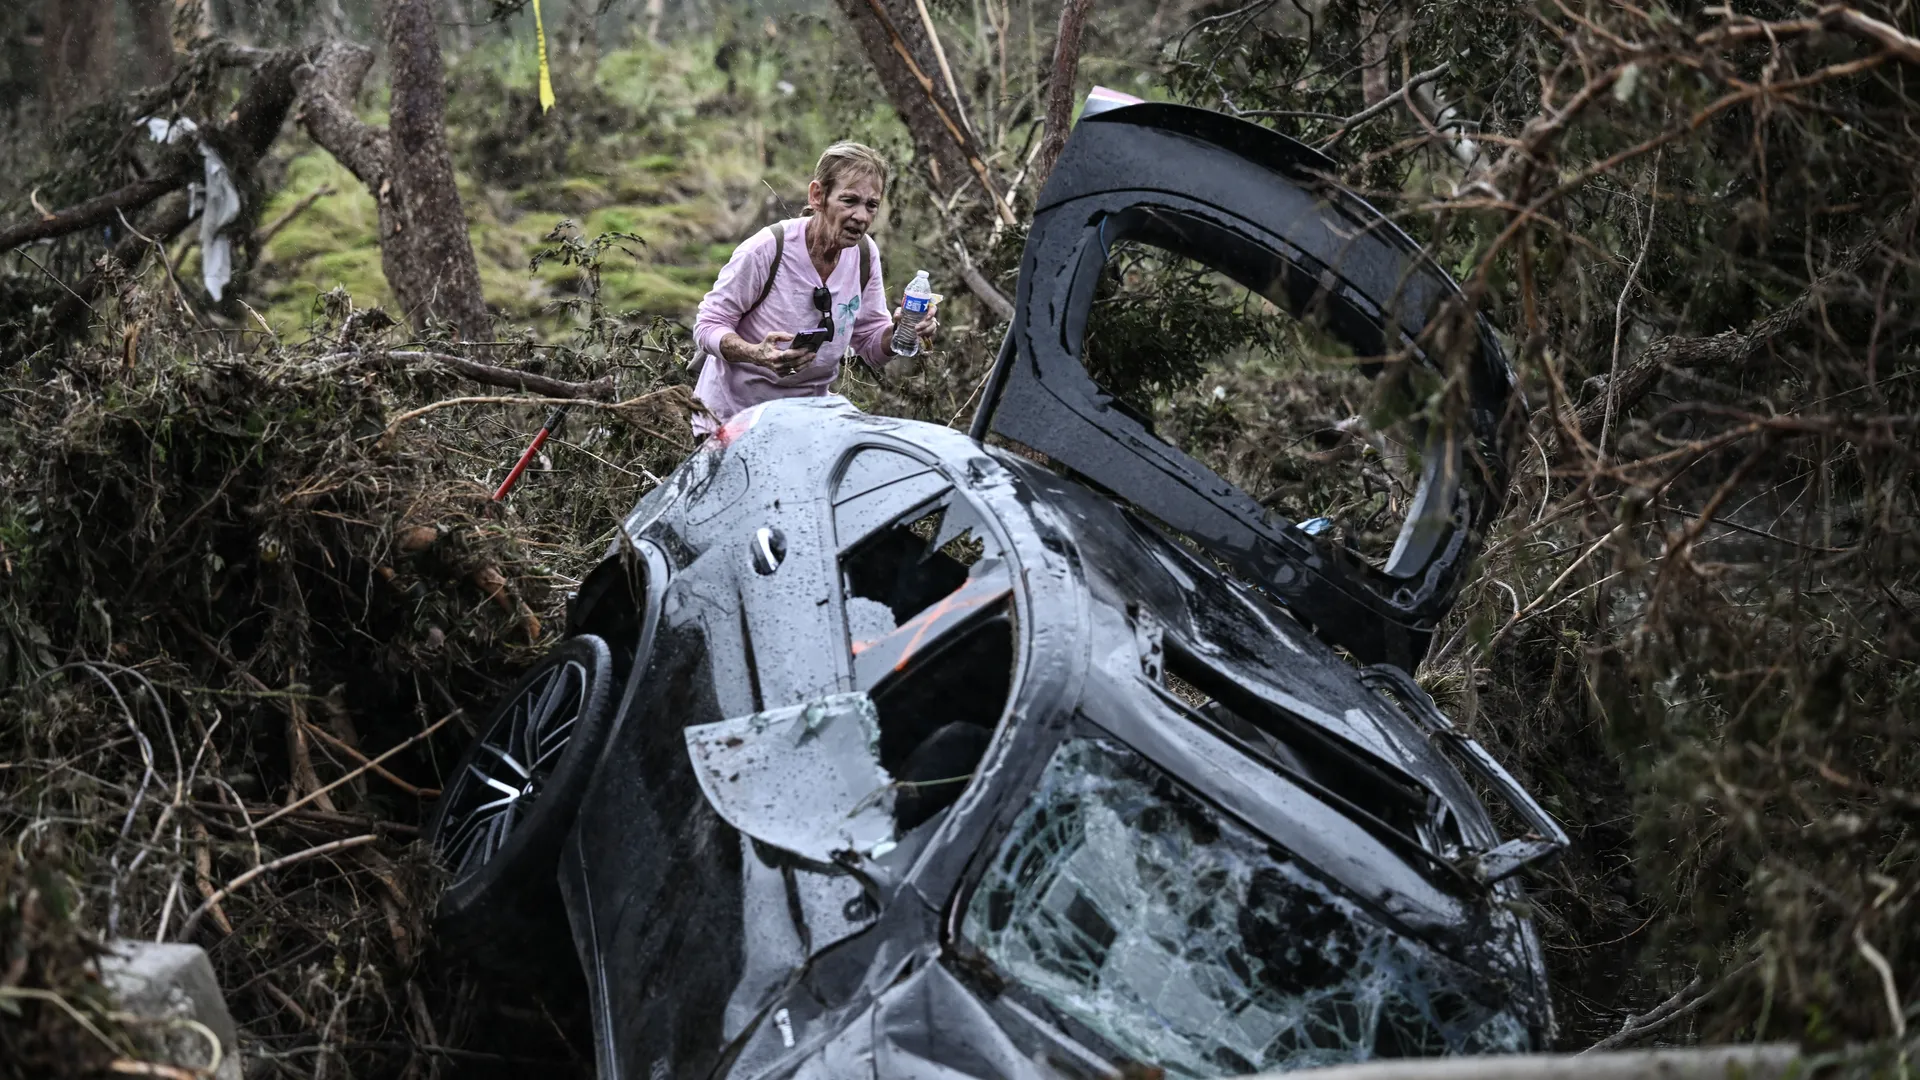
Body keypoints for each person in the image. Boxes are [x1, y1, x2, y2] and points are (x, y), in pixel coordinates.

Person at [689, 142, 938, 435]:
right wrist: (757, 353)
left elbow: (870, 345)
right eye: (849, 201)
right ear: (818, 195)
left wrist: (900, 332)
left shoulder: (864, 255)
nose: (862, 216)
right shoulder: (767, 250)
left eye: (871, 205)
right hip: (733, 420)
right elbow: (707, 325)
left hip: (804, 423)